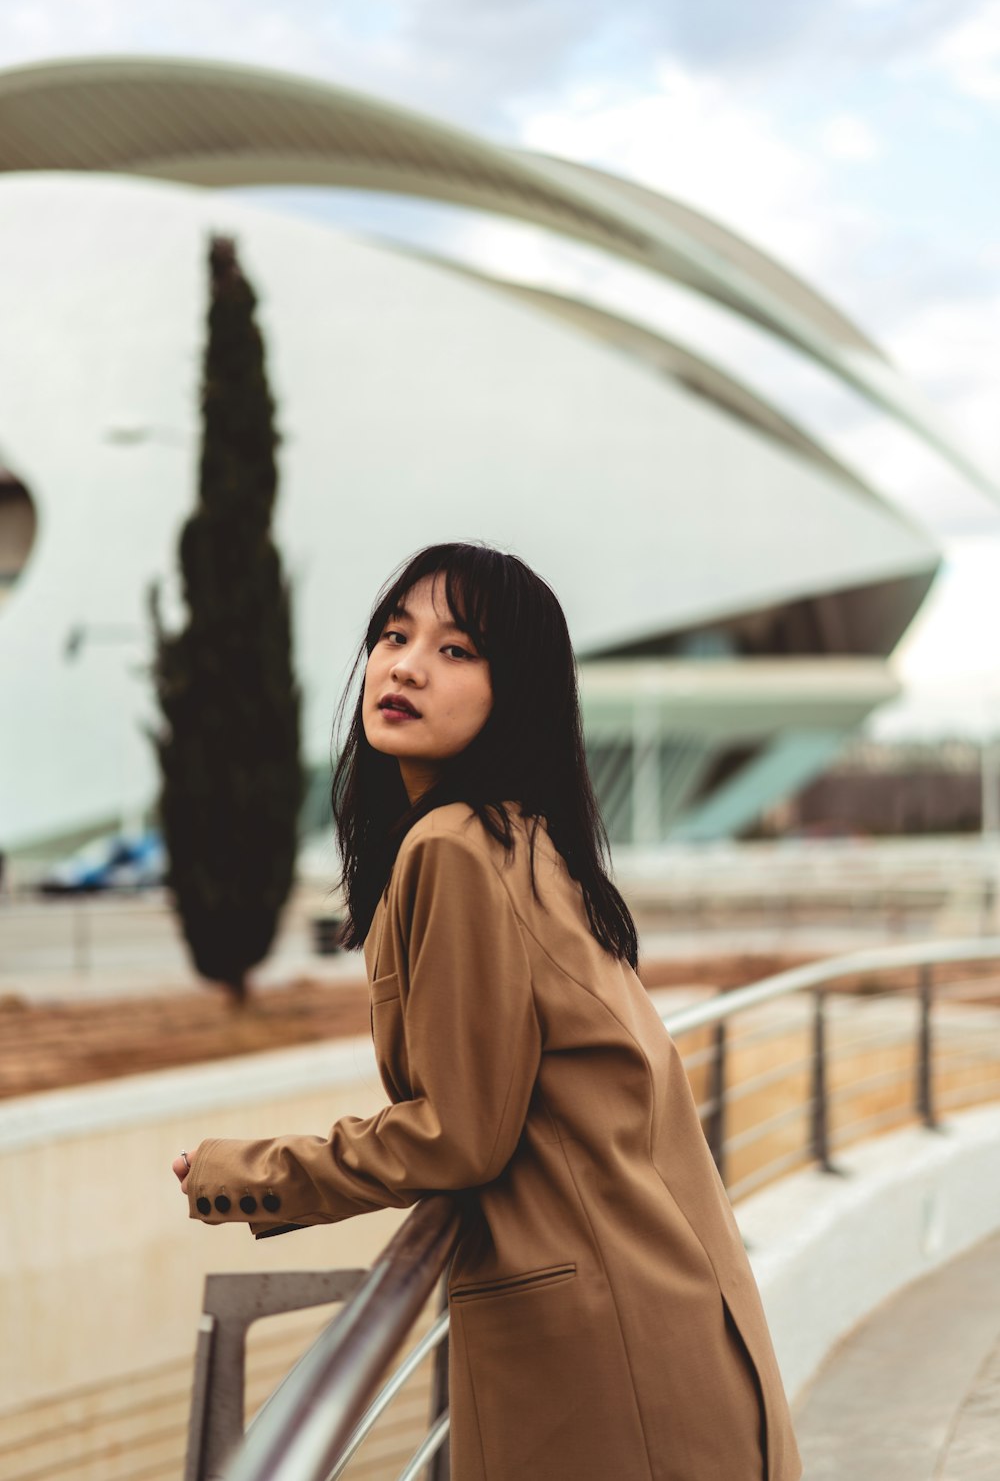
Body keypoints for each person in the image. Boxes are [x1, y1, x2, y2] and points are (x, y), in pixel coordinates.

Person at [172, 542, 801, 1481]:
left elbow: (458, 1136)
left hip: (598, 1347)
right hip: (655, 1313)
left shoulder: (455, 848)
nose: (408, 665)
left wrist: (244, 1172)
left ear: (519, 691)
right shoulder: (525, 839)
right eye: (394, 634)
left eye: (458, 649)